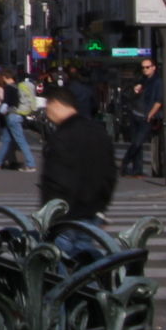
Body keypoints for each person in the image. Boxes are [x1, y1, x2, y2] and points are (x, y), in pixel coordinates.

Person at [38, 81, 117, 264]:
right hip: (91, 211)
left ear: (57, 105)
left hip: (65, 216)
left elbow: (56, 180)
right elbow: (110, 174)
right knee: (85, 261)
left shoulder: (61, 136)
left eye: (48, 106)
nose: (47, 113)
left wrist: (49, 214)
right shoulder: (98, 132)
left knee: (58, 264)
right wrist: (101, 208)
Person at [0, 70, 34, 171]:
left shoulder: (9, 88)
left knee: (21, 140)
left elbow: (5, 105)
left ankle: (31, 164)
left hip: (12, 116)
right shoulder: (17, 87)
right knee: (6, 140)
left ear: (5, 77)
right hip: (17, 115)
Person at [121, 56, 162, 177]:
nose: (145, 69)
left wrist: (151, 114)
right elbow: (130, 94)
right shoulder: (141, 79)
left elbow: (159, 100)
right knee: (136, 142)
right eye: (143, 67)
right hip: (135, 113)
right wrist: (135, 89)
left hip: (146, 116)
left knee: (137, 142)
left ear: (153, 68)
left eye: (147, 67)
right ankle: (137, 169)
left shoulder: (157, 81)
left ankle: (124, 163)